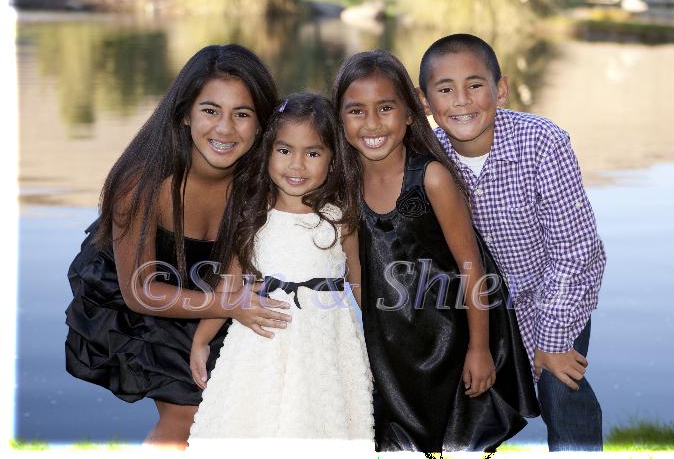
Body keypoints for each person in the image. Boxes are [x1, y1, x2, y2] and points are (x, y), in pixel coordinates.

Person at [65, 44, 293, 449]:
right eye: (211, 110)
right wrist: (230, 305)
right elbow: (140, 292)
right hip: (146, 292)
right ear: (186, 113)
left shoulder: (265, 180)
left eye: (242, 114)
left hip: (222, 287)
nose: (225, 129)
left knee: (240, 414)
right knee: (186, 418)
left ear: (261, 124)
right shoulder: (143, 183)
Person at [331, 49, 539, 454]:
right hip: (395, 341)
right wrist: (376, 337)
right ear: (339, 118)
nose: (372, 123)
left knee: (461, 438)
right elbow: (355, 269)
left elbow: (472, 267)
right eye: (356, 111)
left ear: (410, 112)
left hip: (454, 336)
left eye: (385, 108)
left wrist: (479, 349)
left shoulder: (432, 178)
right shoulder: (346, 188)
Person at [417, 33, 606, 451]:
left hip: (553, 291)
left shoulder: (542, 142)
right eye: (445, 90)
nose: (462, 100)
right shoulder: (427, 158)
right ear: (425, 102)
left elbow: (575, 250)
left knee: (559, 384)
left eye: (475, 85)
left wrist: (550, 342)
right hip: (479, 303)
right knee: (469, 402)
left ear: (500, 89)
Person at [187, 92, 374, 444]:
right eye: (285, 150)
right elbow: (228, 288)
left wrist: (383, 340)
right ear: (268, 152)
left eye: (313, 153)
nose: (296, 166)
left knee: (320, 426)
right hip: (262, 345)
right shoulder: (253, 216)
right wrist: (201, 340)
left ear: (333, 160)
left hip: (325, 347)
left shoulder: (341, 218)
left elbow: (360, 282)